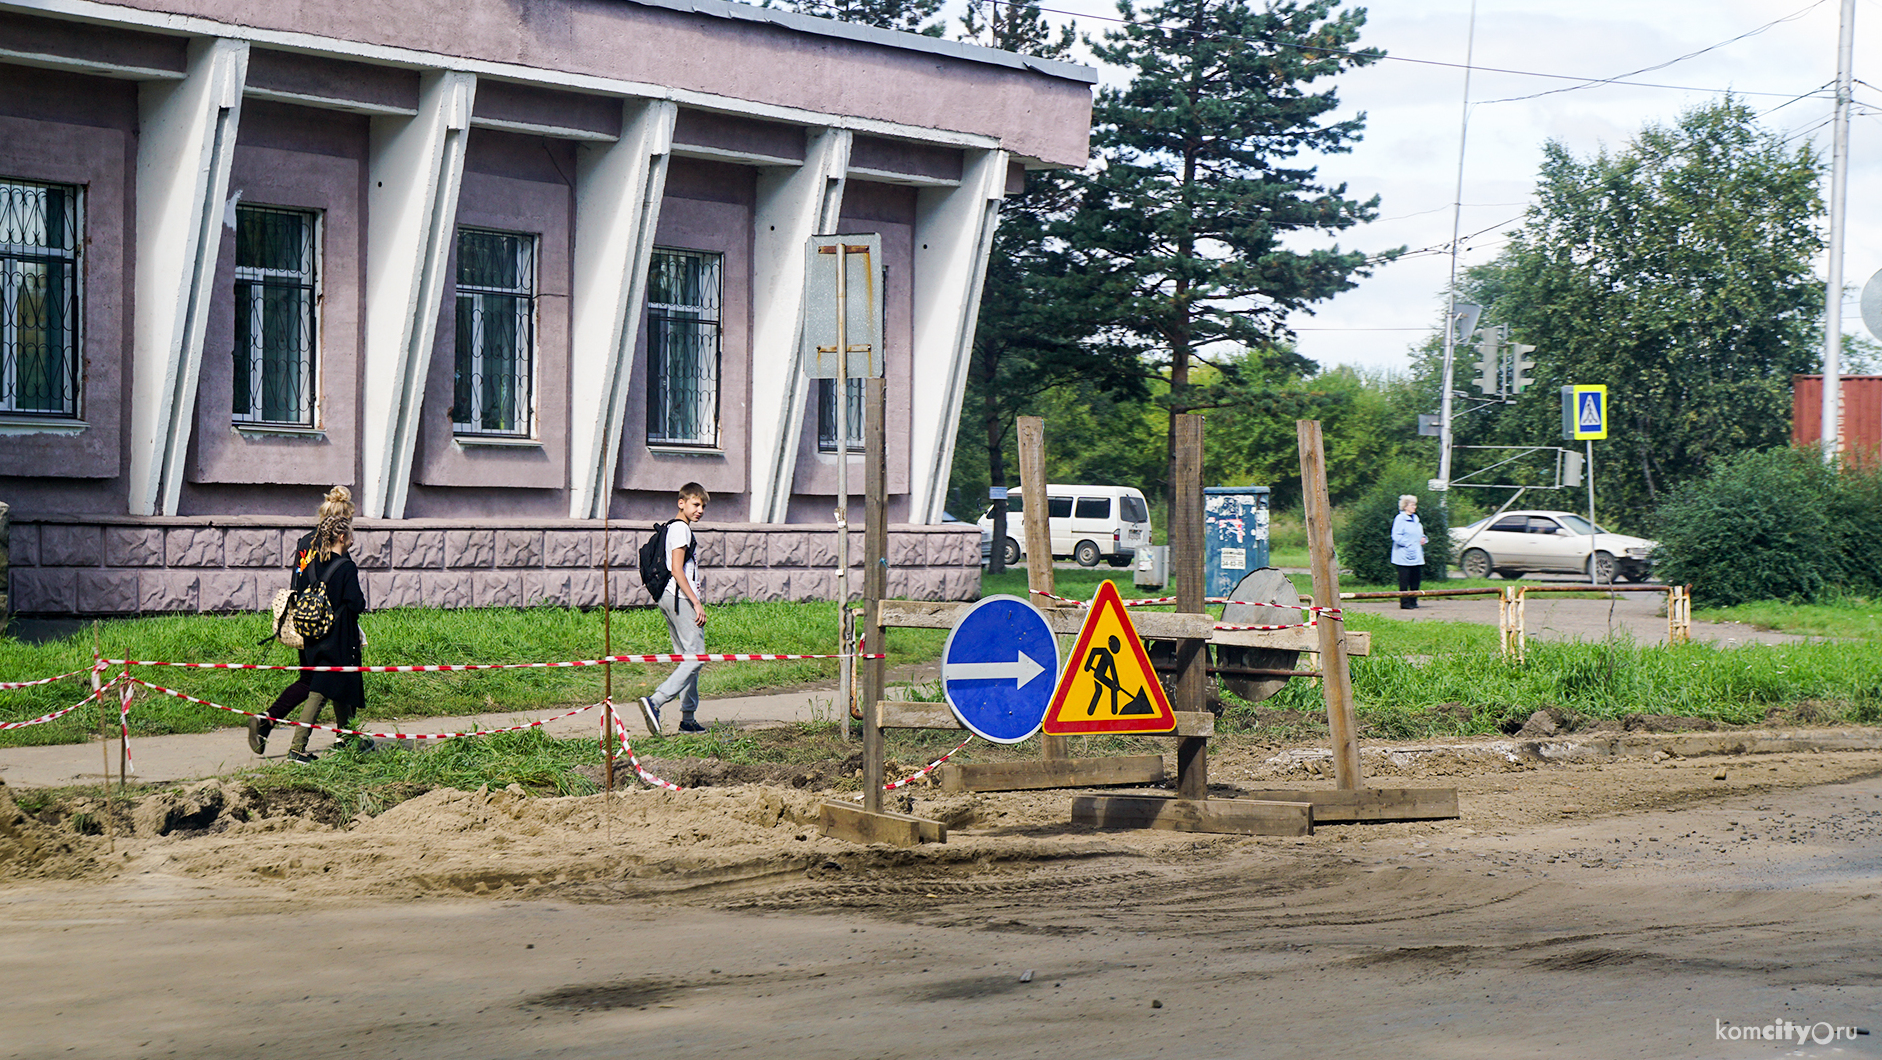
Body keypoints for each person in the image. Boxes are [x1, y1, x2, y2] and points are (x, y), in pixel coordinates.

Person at [250, 485, 354, 755]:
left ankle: (267, 720)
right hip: (329, 625)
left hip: (304, 619)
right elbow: (341, 591)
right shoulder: (337, 545)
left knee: (311, 680)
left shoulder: (305, 541)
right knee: (328, 679)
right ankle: (335, 739)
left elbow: (297, 581)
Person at [284, 514, 369, 763]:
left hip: (312, 636)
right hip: (338, 638)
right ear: (342, 537)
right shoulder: (345, 567)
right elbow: (356, 603)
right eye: (351, 534)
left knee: (339, 686)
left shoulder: (311, 565)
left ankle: (349, 739)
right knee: (320, 690)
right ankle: (297, 749)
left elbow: (299, 594)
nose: (352, 539)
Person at [637, 483, 709, 736]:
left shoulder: (672, 528)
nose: (700, 510)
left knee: (687, 658)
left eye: (703, 506)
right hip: (679, 597)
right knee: (697, 655)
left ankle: (688, 719)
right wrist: (696, 601)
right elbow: (677, 570)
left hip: (668, 597)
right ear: (682, 503)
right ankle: (655, 701)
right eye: (695, 504)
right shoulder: (681, 529)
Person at [1391, 494, 1428, 610]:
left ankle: (1414, 601)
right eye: (1412, 505)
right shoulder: (1400, 519)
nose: (1414, 507)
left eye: (1415, 505)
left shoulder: (1416, 519)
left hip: (1416, 555)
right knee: (1404, 580)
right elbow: (1396, 536)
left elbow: (1420, 534)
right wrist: (1408, 544)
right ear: (1405, 506)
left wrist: (1424, 539)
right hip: (1403, 555)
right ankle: (1405, 603)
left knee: (1415, 580)